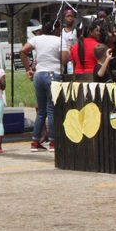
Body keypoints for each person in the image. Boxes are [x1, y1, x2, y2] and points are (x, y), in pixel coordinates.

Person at [20, 17, 64, 153]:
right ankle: (52, 142)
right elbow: (65, 59)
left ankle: (35, 141)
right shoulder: (59, 40)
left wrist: (28, 68)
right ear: (55, 29)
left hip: (39, 75)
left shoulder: (37, 39)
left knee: (41, 111)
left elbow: (23, 51)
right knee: (51, 109)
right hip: (53, 74)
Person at [60, 8, 79, 74]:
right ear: (64, 18)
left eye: (71, 16)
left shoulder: (77, 30)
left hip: (75, 60)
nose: (70, 18)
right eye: (68, 16)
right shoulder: (61, 32)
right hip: (64, 60)